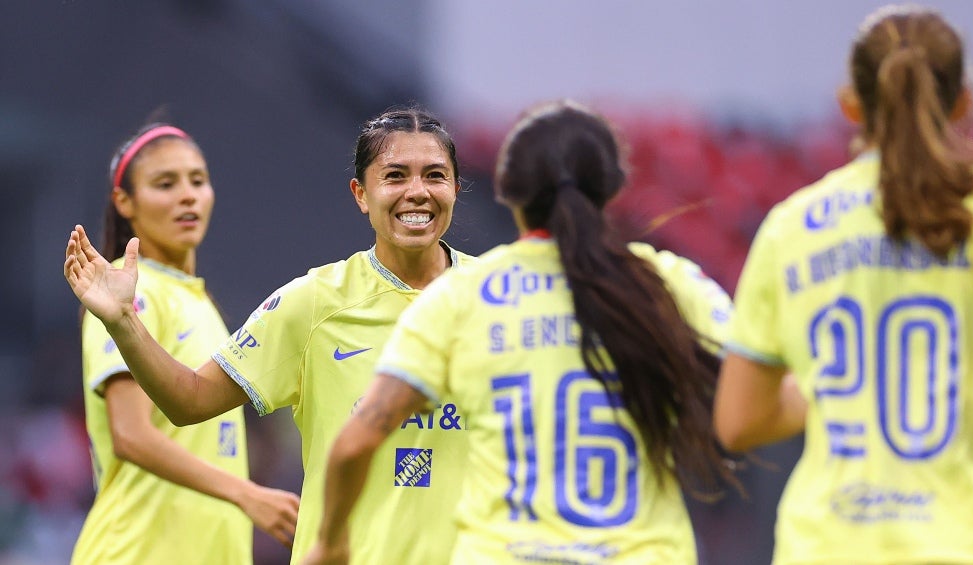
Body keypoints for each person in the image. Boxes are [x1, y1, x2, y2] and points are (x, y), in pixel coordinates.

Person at [303, 99, 742, 564]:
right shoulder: (665, 282)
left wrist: (331, 541)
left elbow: (355, 443)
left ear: (508, 191)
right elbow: (754, 399)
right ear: (611, 188)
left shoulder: (460, 296)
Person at [64, 107, 476, 564]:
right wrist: (122, 321)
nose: (417, 192)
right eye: (395, 175)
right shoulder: (312, 302)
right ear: (361, 194)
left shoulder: (497, 301)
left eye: (435, 175)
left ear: (456, 188)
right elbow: (186, 402)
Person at [714, 5, 973, 564]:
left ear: (850, 103)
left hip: (825, 545)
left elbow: (739, 419)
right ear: (965, 100)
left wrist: (837, 392)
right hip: (961, 543)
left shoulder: (790, 226)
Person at [66, 123, 300, 564]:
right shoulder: (130, 292)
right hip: (137, 552)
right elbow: (130, 435)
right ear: (125, 202)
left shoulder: (199, 302)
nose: (188, 195)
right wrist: (246, 494)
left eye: (198, 180)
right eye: (165, 184)